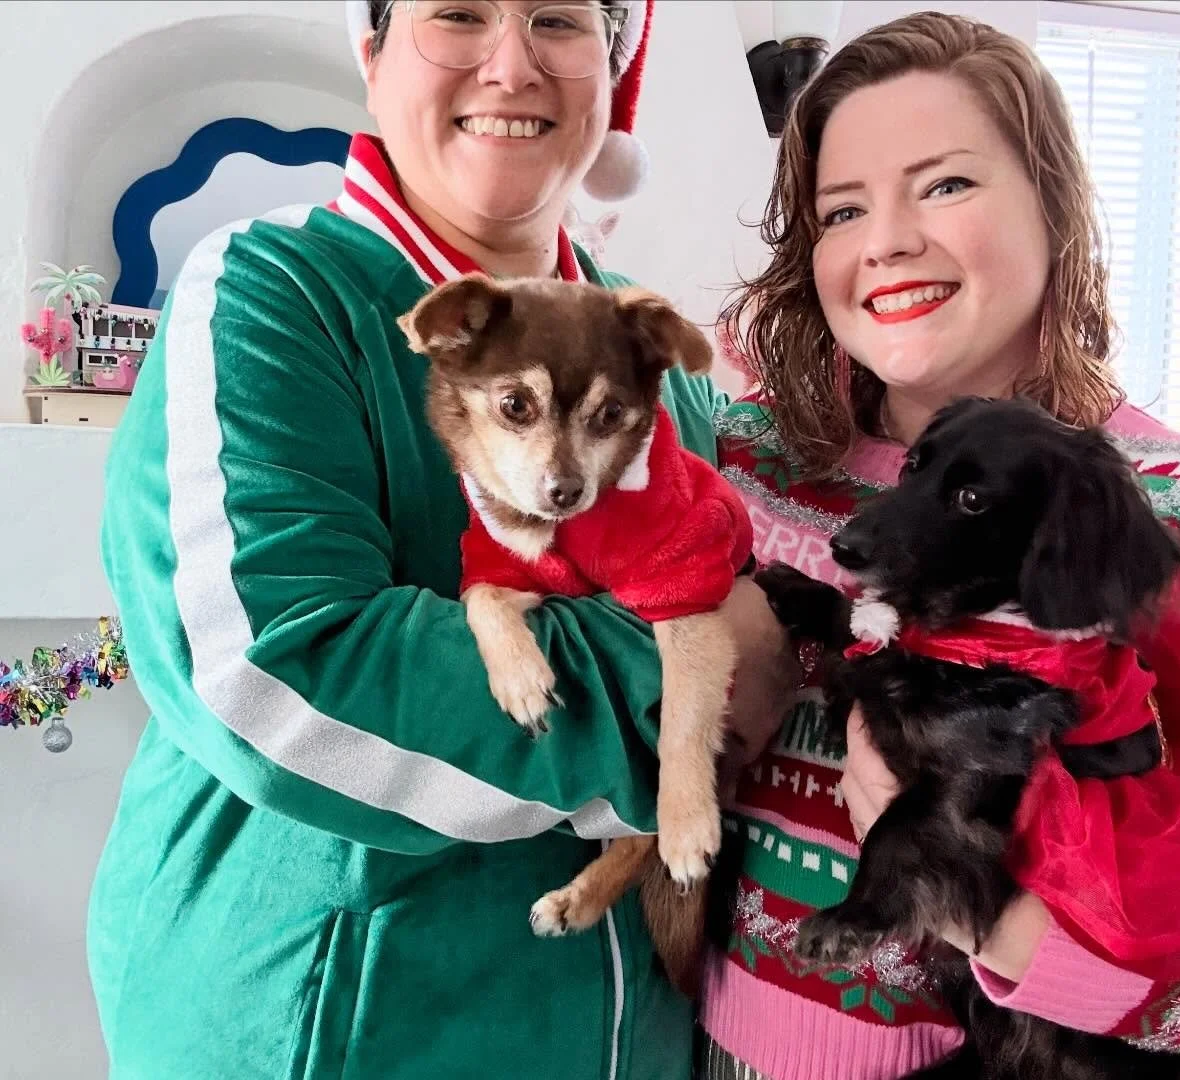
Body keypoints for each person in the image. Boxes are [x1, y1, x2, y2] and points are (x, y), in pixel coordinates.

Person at [696, 13, 1180, 1079]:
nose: (887, 239)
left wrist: (1024, 940)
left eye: (946, 184)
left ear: (1053, 205)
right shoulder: (738, 465)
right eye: (841, 208)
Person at [88, 3, 795, 1077]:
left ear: (613, 76)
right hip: (328, 1027)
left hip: (624, 1038)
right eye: (460, 13)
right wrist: (701, 691)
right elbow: (281, 669)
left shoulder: (649, 356)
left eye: (558, 21)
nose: (510, 66)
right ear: (372, 58)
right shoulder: (271, 291)